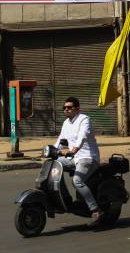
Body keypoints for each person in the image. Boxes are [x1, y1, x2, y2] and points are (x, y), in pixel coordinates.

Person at [54, 97, 103, 226]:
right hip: (74, 158)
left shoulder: (84, 119)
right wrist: (52, 150)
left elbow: (82, 136)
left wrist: (74, 149)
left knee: (77, 180)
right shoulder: (66, 123)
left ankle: (96, 210)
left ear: (77, 108)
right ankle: (64, 199)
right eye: (64, 108)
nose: (66, 110)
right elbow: (61, 140)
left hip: (88, 157)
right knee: (55, 164)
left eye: (69, 107)